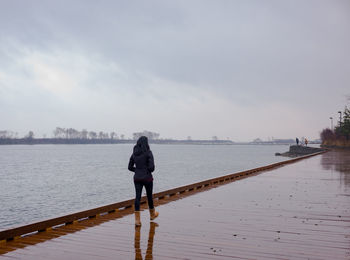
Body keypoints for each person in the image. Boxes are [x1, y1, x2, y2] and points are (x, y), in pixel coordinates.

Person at [128, 136, 159, 226]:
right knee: (149, 196)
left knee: (137, 197)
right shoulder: (148, 153)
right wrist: (145, 170)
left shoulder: (134, 154)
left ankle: (137, 221)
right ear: (146, 143)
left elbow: (129, 167)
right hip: (147, 178)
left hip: (137, 178)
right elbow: (152, 168)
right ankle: (152, 215)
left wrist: (137, 170)